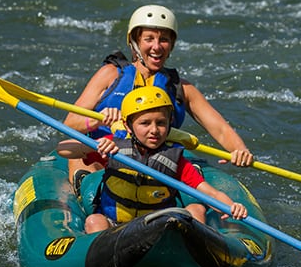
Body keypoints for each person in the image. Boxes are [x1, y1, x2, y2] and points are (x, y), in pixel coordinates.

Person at [60, 4, 254, 197]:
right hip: (106, 154)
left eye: (164, 40)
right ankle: (91, 199)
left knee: (190, 181)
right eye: (149, 39)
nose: (157, 46)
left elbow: (220, 128)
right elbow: (69, 124)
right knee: (78, 159)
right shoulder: (110, 75)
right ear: (135, 42)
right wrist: (97, 120)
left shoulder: (181, 88)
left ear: (172, 45)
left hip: (158, 163)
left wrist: (239, 150)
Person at [72, 86, 247, 234]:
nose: (154, 130)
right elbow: (63, 149)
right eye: (145, 123)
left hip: (159, 226)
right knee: (94, 221)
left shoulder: (174, 159)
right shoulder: (113, 146)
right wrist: (93, 144)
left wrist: (232, 206)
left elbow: (210, 193)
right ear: (128, 125)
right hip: (115, 225)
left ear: (170, 124)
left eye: (161, 123)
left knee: (196, 209)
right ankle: (105, 266)